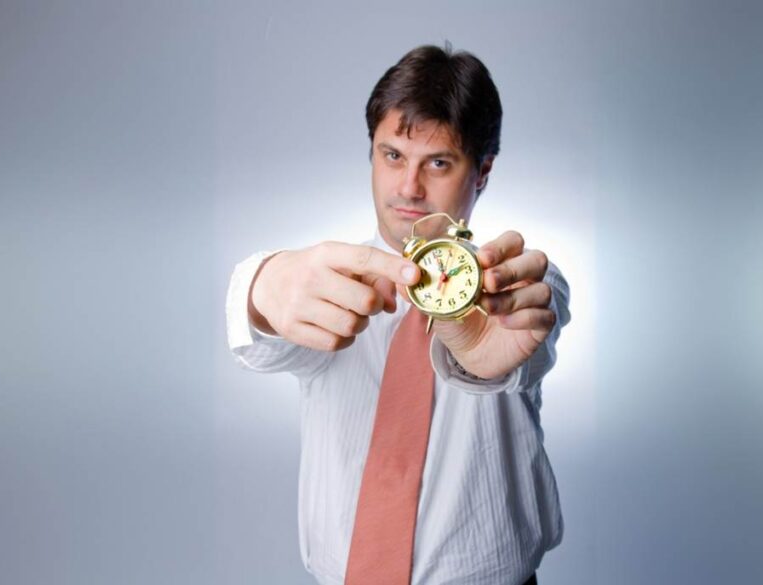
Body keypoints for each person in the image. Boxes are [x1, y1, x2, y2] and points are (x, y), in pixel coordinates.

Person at [225, 44, 571, 585]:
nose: (408, 188)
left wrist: (486, 360)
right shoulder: (329, 285)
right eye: (392, 156)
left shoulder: (525, 284)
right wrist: (262, 285)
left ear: (481, 172)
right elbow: (261, 333)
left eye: (437, 162)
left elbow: (524, 355)